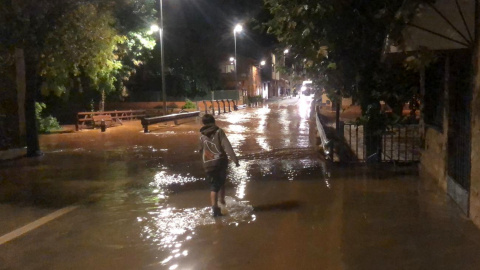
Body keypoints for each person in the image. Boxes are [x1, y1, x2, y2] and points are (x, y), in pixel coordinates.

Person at [199, 114, 240, 217]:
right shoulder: (219, 131)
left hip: (208, 164)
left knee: (214, 185)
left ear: (203, 123)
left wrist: (204, 163)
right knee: (221, 183)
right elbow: (227, 146)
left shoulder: (202, 136)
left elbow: (200, 150)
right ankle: (221, 204)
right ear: (214, 122)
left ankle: (216, 207)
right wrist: (235, 160)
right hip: (220, 163)